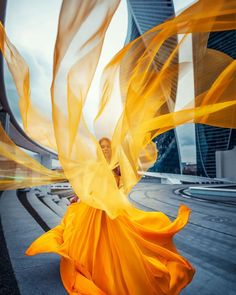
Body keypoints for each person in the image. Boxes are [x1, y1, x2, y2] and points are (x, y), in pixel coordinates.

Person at [26, 137, 195, 295]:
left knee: (122, 242)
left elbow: (129, 177)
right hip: (92, 208)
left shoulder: (118, 168)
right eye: (102, 146)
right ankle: (93, 267)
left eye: (107, 146)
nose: (105, 149)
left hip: (111, 210)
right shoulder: (93, 167)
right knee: (89, 242)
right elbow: (87, 187)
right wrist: (78, 198)